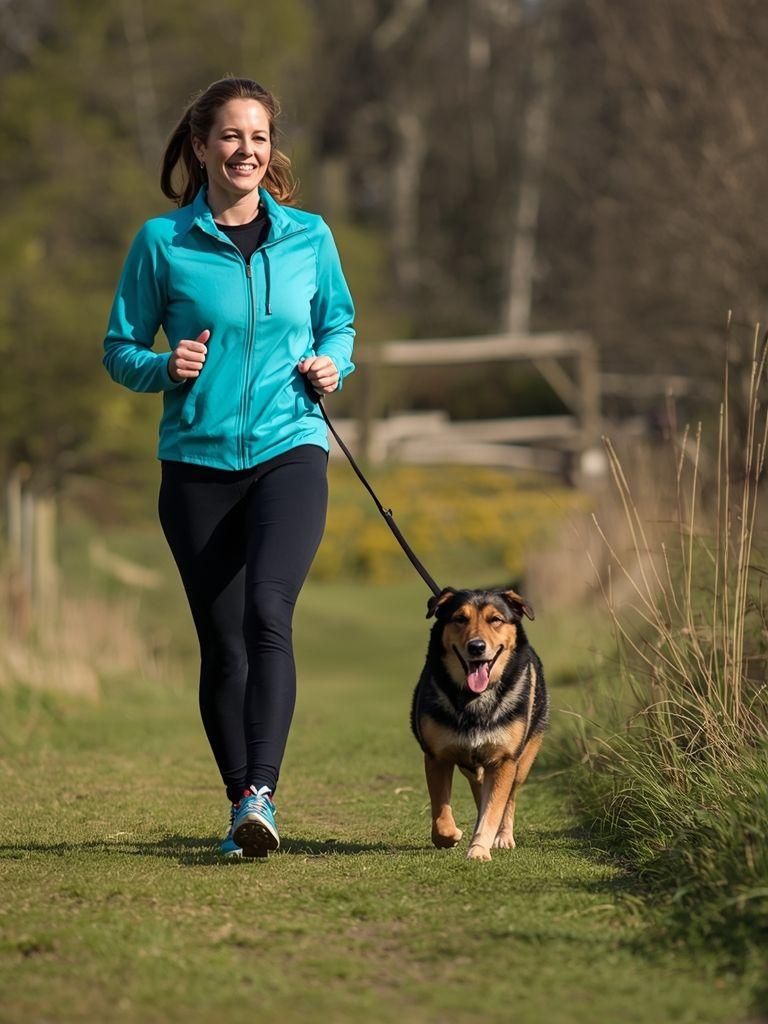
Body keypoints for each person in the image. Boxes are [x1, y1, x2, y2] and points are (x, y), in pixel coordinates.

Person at [103, 77, 355, 859]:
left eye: (260, 137)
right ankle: (242, 801)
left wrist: (331, 365)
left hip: (291, 448)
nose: (247, 150)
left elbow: (338, 322)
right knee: (223, 643)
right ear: (203, 145)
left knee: (268, 612)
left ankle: (263, 793)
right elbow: (119, 349)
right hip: (196, 466)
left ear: (271, 150)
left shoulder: (309, 237)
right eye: (231, 137)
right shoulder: (162, 242)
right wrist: (163, 368)